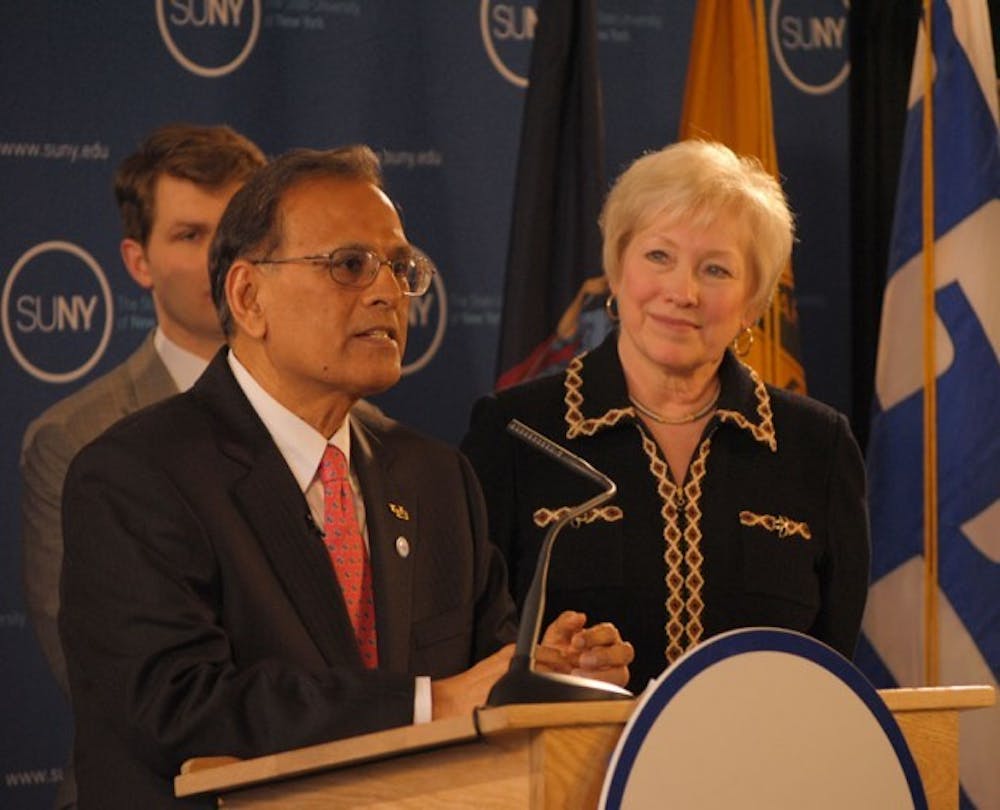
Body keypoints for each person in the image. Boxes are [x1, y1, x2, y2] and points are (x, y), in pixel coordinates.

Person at [58, 145, 633, 808]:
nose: (388, 292)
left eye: (400, 268)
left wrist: (543, 671)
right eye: (350, 265)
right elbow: (179, 704)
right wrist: (429, 703)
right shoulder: (135, 475)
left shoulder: (436, 477)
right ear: (248, 297)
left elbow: (483, 678)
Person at [462, 140, 870, 693]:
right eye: (659, 256)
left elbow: (831, 674)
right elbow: (471, 653)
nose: (683, 291)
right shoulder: (515, 433)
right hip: (570, 749)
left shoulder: (818, 447)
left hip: (764, 748)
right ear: (617, 268)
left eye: (716, 269)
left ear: (753, 302)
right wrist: (548, 666)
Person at [19, 123, 265, 809]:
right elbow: (102, 673)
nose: (220, 256)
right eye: (190, 235)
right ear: (138, 262)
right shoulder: (74, 438)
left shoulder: (355, 429)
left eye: (237, 230)